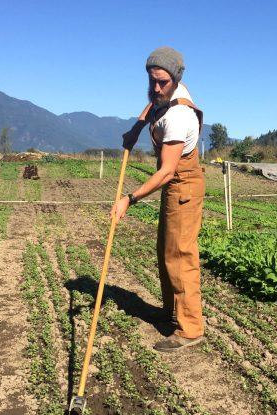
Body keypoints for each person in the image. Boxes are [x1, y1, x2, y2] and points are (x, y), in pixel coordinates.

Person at [110, 46, 205, 352]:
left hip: (183, 187)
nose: (155, 88)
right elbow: (152, 105)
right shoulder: (166, 96)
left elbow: (166, 172)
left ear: (175, 79)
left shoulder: (179, 116)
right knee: (166, 251)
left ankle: (190, 328)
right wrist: (135, 129)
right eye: (152, 81)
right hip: (174, 186)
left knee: (180, 255)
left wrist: (129, 199)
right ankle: (170, 313)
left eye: (162, 82)